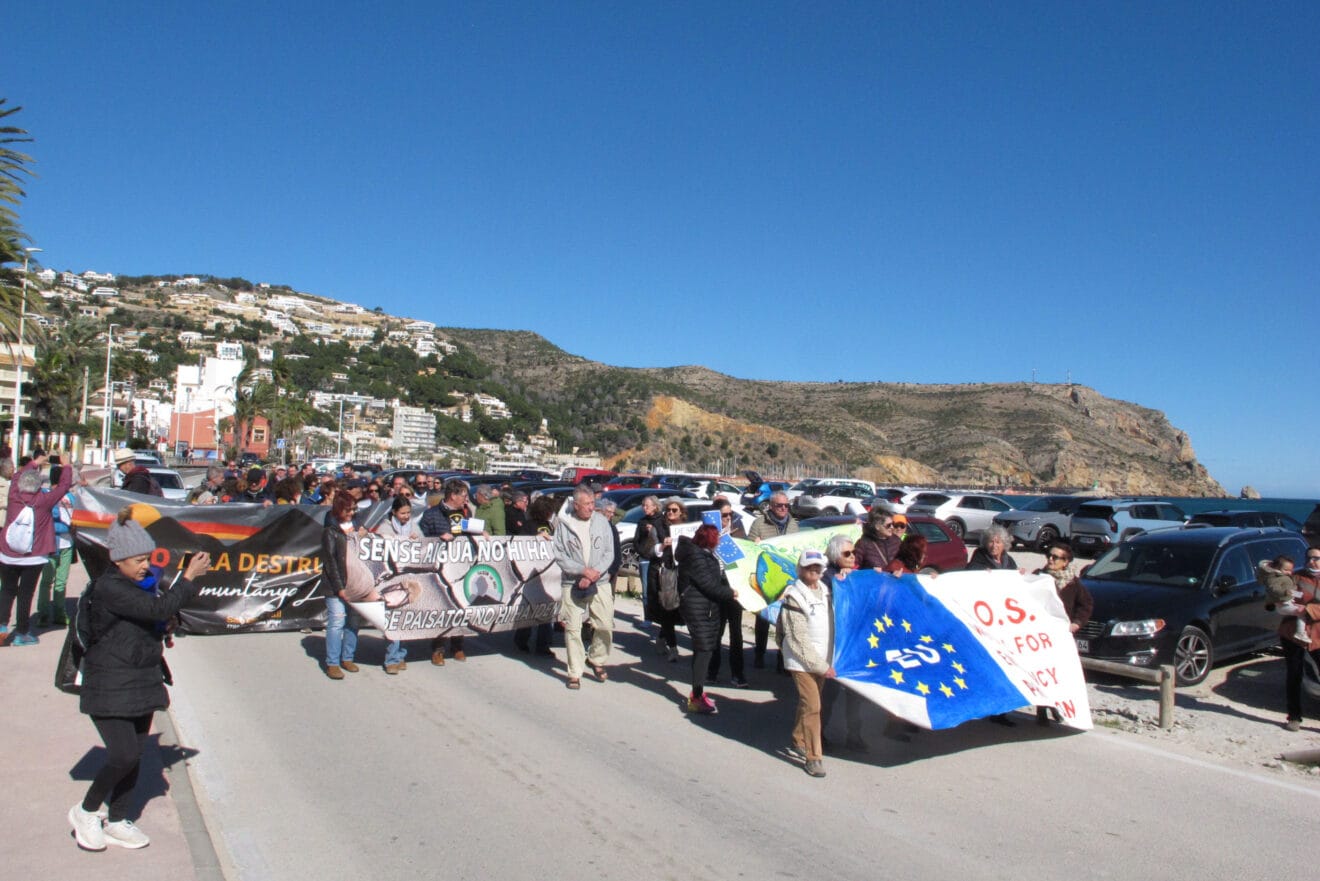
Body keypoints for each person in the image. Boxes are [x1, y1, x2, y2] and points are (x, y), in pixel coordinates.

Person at [68, 511, 211, 851]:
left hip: (140, 679)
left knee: (135, 756)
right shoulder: (109, 587)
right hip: (110, 683)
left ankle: (117, 819)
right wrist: (188, 579)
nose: (145, 566)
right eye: (138, 560)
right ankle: (86, 811)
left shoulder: (134, 585)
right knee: (122, 755)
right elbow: (153, 611)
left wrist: (166, 624)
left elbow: (153, 616)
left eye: (147, 558)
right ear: (118, 560)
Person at [0, 459, 76, 645]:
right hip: (33, 558)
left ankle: (1, 627)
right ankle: (22, 633)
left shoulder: (14, 496)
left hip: (8, 553)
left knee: (7, 591)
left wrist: (34, 463)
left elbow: (17, 475)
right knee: (26, 594)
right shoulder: (45, 500)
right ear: (39, 486)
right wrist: (66, 466)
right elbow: (64, 485)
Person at [551, 485, 615, 690]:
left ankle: (596, 658)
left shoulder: (602, 522)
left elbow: (609, 553)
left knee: (604, 624)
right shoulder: (564, 524)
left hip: (600, 580)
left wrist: (594, 572)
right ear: (576, 505)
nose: (591, 508)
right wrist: (581, 571)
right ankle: (574, 672)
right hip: (572, 581)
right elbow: (560, 554)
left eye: (592, 504)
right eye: (587, 504)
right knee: (573, 627)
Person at [780, 549, 834, 778]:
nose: (814, 570)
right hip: (801, 662)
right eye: (809, 567)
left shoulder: (826, 590)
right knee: (813, 706)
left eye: (817, 567)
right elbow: (797, 639)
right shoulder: (794, 596)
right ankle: (814, 757)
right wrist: (821, 667)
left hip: (823, 658)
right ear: (800, 569)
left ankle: (798, 738)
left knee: (808, 703)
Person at [418, 478, 481, 664]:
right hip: (439, 571)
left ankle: (458, 645)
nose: (466, 500)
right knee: (443, 609)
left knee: (461, 608)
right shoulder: (432, 515)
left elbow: (471, 532)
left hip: (462, 568)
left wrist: (481, 533)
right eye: (463, 496)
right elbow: (421, 542)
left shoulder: (465, 513)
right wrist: (438, 538)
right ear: (452, 496)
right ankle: (438, 648)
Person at [677, 523, 738, 713]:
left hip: (707, 607)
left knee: (704, 648)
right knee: (704, 648)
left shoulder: (703, 554)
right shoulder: (697, 557)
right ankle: (696, 696)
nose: (719, 541)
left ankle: (698, 690)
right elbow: (709, 585)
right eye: (717, 538)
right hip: (698, 608)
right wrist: (731, 593)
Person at [820, 534, 865, 750]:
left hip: (853, 643)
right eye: (847, 554)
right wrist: (842, 582)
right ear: (836, 555)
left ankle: (854, 735)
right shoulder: (825, 576)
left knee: (856, 694)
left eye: (853, 552)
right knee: (829, 692)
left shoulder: (854, 574)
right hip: (834, 644)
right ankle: (818, 733)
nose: (852, 556)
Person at [748, 491, 798, 669]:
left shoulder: (793, 524)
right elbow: (750, 547)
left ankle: (782, 659)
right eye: (779, 505)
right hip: (767, 578)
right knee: (763, 620)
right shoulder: (759, 524)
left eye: (786, 505)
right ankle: (759, 654)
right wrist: (755, 544)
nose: (784, 508)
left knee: (785, 622)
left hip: (787, 579)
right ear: (771, 506)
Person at [320, 493, 364, 680]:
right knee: (337, 622)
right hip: (335, 585)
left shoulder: (357, 527)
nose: (352, 513)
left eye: (354, 509)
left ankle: (347, 657)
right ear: (339, 509)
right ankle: (332, 662)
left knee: (353, 622)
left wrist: (362, 536)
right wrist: (339, 588)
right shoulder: (330, 531)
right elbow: (330, 562)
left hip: (355, 583)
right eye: (348, 510)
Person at [640, 498, 686, 662]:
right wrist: (662, 546)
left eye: (674, 510)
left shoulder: (686, 527)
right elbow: (649, 549)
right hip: (663, 573)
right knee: (667, 608)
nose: (671, 513)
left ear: (681, 511)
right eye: (668, 510)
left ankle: (661, 637)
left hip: (681, 572)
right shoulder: (659, 526)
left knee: (677, 610)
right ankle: (673, 648)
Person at [1281, 548, 1320, 732]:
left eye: (1317, 558)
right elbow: (1284, 600)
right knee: (1294, 674)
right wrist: (1290, 607)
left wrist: (1307, 610)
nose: (1312, 561)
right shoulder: (1296, 578)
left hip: (1318, 634)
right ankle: (1294, 716)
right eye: (1309, 558)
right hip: (1293, 633)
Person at [514, 494, 558, 655]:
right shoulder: (528, 525)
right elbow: (520, 545)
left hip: (548, 571)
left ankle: (543, 645)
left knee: (547, 611)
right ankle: (521, 640)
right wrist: (535, 539)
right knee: (529, 609)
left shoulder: (550, 526)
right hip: (531, 572)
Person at [36, 464, 77, 627]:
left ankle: (51, 613)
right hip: (57, 542)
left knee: (53, 580)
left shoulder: (52, 496)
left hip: (58, 543)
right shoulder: (62, 497)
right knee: (55, 580)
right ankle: (51, 613)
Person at [1260, 556, 1308, 646]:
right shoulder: (1273, 578)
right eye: (1286, 570)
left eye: (1291, 570)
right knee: (1302, 612)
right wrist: (1285, 592)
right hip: (1283, 605)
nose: (1289, 572)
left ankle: (1301, 632)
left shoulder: (1283, 576)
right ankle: (1300, 632)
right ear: (1277, 568)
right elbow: (1274, 590)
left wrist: (1300, 594)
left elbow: (1291, 591)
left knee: (1304, 609)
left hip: (1288, 601)